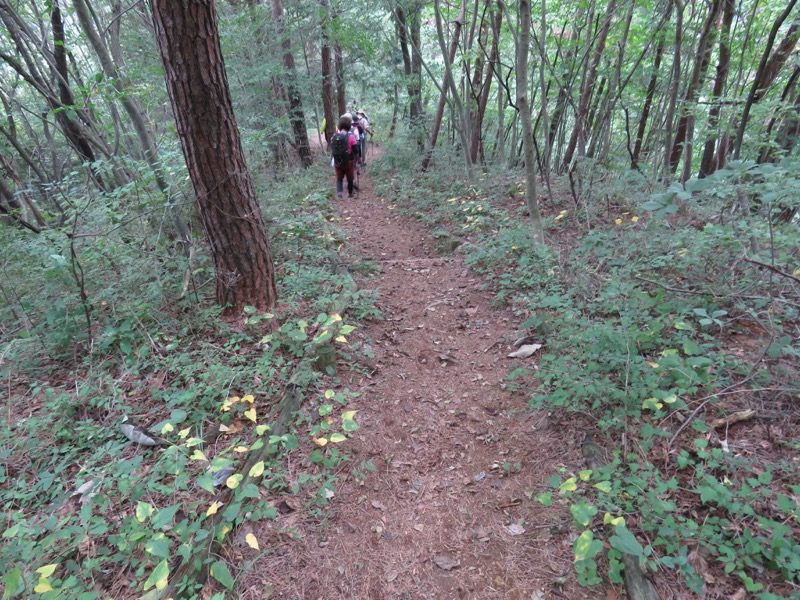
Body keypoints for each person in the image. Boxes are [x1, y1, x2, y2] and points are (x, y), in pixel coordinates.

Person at [331, 116, 361, 199]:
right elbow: (355, 150)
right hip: (349, 161)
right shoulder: (351, 137)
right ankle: (350, 194)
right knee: (350, 178)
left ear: (340, 126)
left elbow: (332, 147)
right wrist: (358, 158)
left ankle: (340, 194)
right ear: (349, 126)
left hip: (337, 161)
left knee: (339, 178)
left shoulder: (334, 136)